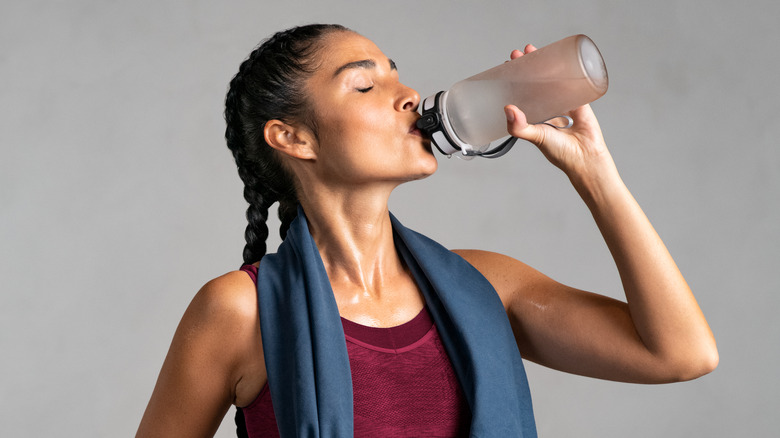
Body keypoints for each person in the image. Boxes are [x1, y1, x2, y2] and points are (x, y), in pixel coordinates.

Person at [136, 24, 718, 437]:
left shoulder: (485, 284)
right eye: (365, 86)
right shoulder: (241, 310)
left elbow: (680, 354)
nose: (409, 95)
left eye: (397, 75)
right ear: (294, 138)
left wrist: (597, 176)